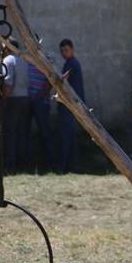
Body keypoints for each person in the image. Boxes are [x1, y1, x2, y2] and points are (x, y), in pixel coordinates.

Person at [0, 38, 31, 171]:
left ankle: (11, 163)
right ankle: (23, 161)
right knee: (22, 131)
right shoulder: (23, 60)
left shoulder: (8, 61)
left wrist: (3, 100)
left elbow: (8, 83)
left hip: (13, 99)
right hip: (25, 97)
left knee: (10, 132)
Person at [54, 38, 84, 173]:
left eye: (66, 50)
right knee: (69, 136)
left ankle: (62, 166)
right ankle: (73, 165)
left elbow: (61, 81)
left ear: (72, 49)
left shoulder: (71, 64)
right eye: (62, 51)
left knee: (65, 136)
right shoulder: (71, 63)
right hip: (72, 105)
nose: (64, 53)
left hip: (69, 105)